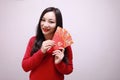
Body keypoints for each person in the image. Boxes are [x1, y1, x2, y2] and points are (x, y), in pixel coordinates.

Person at [22, 7, 73, 80]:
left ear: (57, 24)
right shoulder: (33, 40)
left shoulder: (63, 42)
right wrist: (41, 52)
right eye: (43, 20)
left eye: (51, 22)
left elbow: (69, 70)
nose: (45, 25)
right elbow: (25, 67)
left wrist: (59, 63)